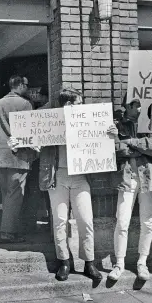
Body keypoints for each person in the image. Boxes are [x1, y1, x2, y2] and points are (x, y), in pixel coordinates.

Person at [33, 88, 102, 282]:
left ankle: (89, 262)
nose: (81, 107)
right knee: (60, 221)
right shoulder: (51, 123)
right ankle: (63, 261)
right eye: (79, 103)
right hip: (58, 177)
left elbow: (101, 145)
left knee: (86, 220)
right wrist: (21, 145)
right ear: (69, 105)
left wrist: (109, 133)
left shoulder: (85, 123)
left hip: (80, 177)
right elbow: (32, 151)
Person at [107, 98, 152, 282]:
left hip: (148, 179)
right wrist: (142, 148)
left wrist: (130, 142)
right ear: (128, 106)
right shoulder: (117, 124)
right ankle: (119, 263)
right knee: (122, 221)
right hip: (127, 177)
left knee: (147, 223)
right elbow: (115, 148)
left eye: (141, 105)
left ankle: (142, 262)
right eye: (137, 105)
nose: (140, 108)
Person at [0, 75, 38, 243]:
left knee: (6, 195)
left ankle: (10, 229)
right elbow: (29, 130)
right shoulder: (24, 104)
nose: (27, 87)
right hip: (18, 155)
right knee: (15, 195)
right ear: (19, 85)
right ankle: (8, 233)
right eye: (26, 84)